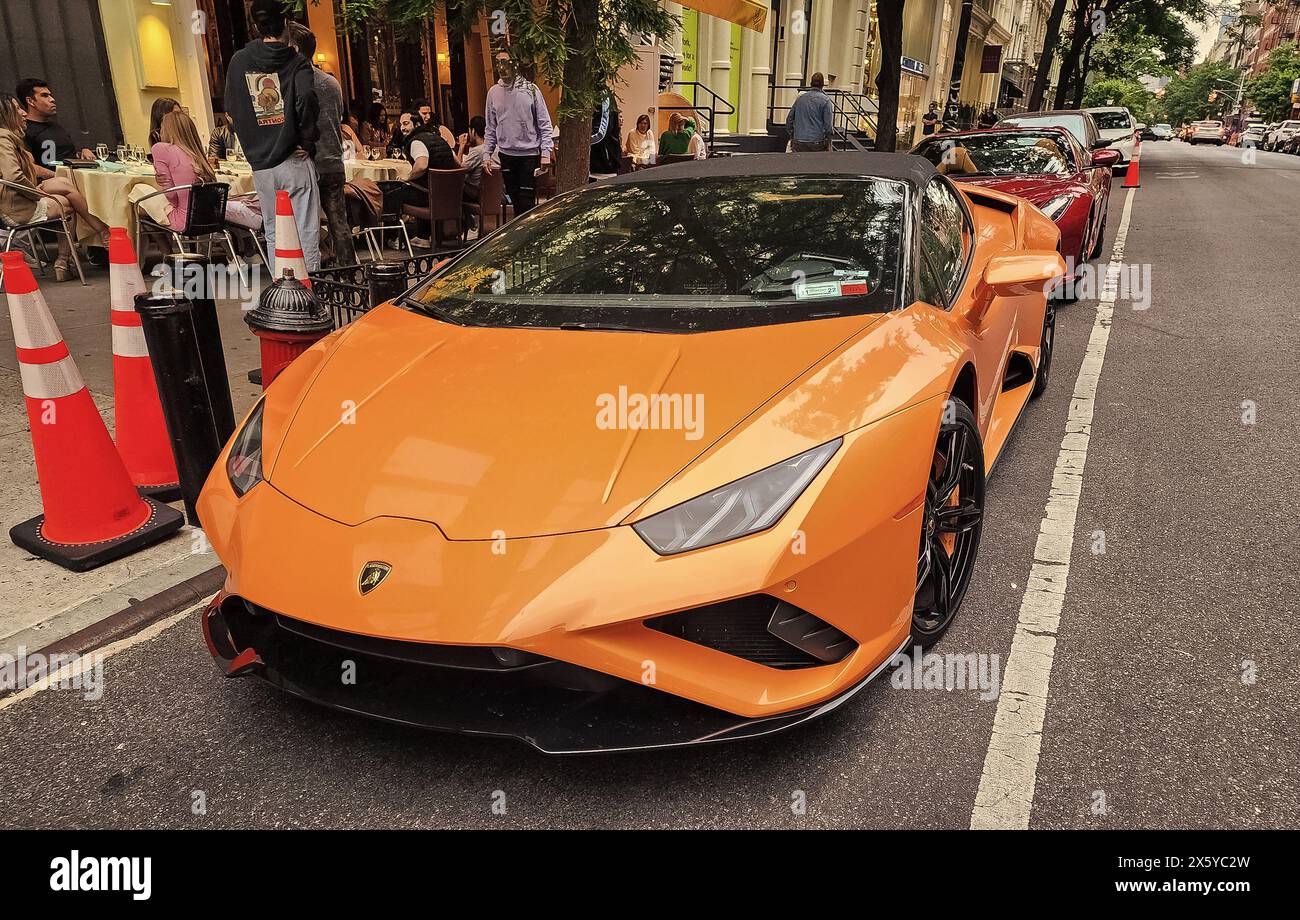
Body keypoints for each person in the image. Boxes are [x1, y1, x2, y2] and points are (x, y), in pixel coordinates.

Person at [224, 0, 321, 273]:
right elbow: (307, 100)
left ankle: (282, 291)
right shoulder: (296, 63)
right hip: (293, 157)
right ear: (286, 23)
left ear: (255, 25)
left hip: (261, 164)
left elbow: (231, 110)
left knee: (275, 230)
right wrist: (307, 139)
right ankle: (308, 291)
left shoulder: (239, 62)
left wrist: (251, 139)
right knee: (305, 229)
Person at [0, 92, 108, 281]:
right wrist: (36, 193)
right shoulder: (3, 138)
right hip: (16, 207)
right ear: (6, 113)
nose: (23, 113)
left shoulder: (11, 136)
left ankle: (86, 243)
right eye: (17, 108)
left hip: (17, 199)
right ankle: (73, 253)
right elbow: (13, 176)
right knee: (66, 204)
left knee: (63, 184)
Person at [285, 22, 354, 266]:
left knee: (307, 222)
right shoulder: (332, 83)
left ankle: (314, 270)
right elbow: (338, 118)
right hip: (333, 160)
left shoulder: (296, 83)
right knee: (339, 222)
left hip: (309, 161)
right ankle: (348, 268)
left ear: (294, 49)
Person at [152, 110, 262, 230]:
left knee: (138, 193)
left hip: (184, 220)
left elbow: (172, 197)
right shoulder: (198, 155)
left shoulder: (161, 149)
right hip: (210, 217)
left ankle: (155, 246)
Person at [482, 50, 553, 217]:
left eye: (505, 61)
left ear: (515, 63)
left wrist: (546, 153)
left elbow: (544, 123)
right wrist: (487, 154)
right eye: (498, 62)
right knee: (514, 199)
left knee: (526, 200)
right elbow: (491, 127)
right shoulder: (493, 92)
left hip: (529, 154)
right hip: (506, 154)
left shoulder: (531, 90)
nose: (501, 66)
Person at [398, 110, 459, 244]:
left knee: (396, 191)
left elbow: (421, 165)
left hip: (430, 196)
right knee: (421, 185)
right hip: (451, 196)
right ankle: (425, 236)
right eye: (401, 124)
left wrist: (407, 178)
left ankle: (396, 238)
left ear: (417, 124)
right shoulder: (440, 139)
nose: (402, 128)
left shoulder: (417, 142)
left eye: (406, 123)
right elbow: (458, 164)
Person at [15, 78, 94, 167]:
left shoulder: (56, 126)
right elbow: (29, 168)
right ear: (30, 101)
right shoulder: (24, 131)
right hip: (55, 179)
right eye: (45, 95)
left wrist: (82, 152)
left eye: (50, 95)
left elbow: (64, 155)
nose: (52, 99)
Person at [786, 72, 834, 151]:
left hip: (799, 140)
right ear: (822, 85)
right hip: (816, 141)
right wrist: (829, 141)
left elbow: (789, 119)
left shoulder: (800, 99)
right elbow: (828, 126)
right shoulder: (825, 101)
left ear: (811, 83)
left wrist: (792, 135)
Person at [456, 115, 488, 205]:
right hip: (496, 193)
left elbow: (458, 170)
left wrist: (461, 146)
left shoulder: (477, 151)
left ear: (473, 131)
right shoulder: (496, 148)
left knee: (453, 184)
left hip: (477, 194)